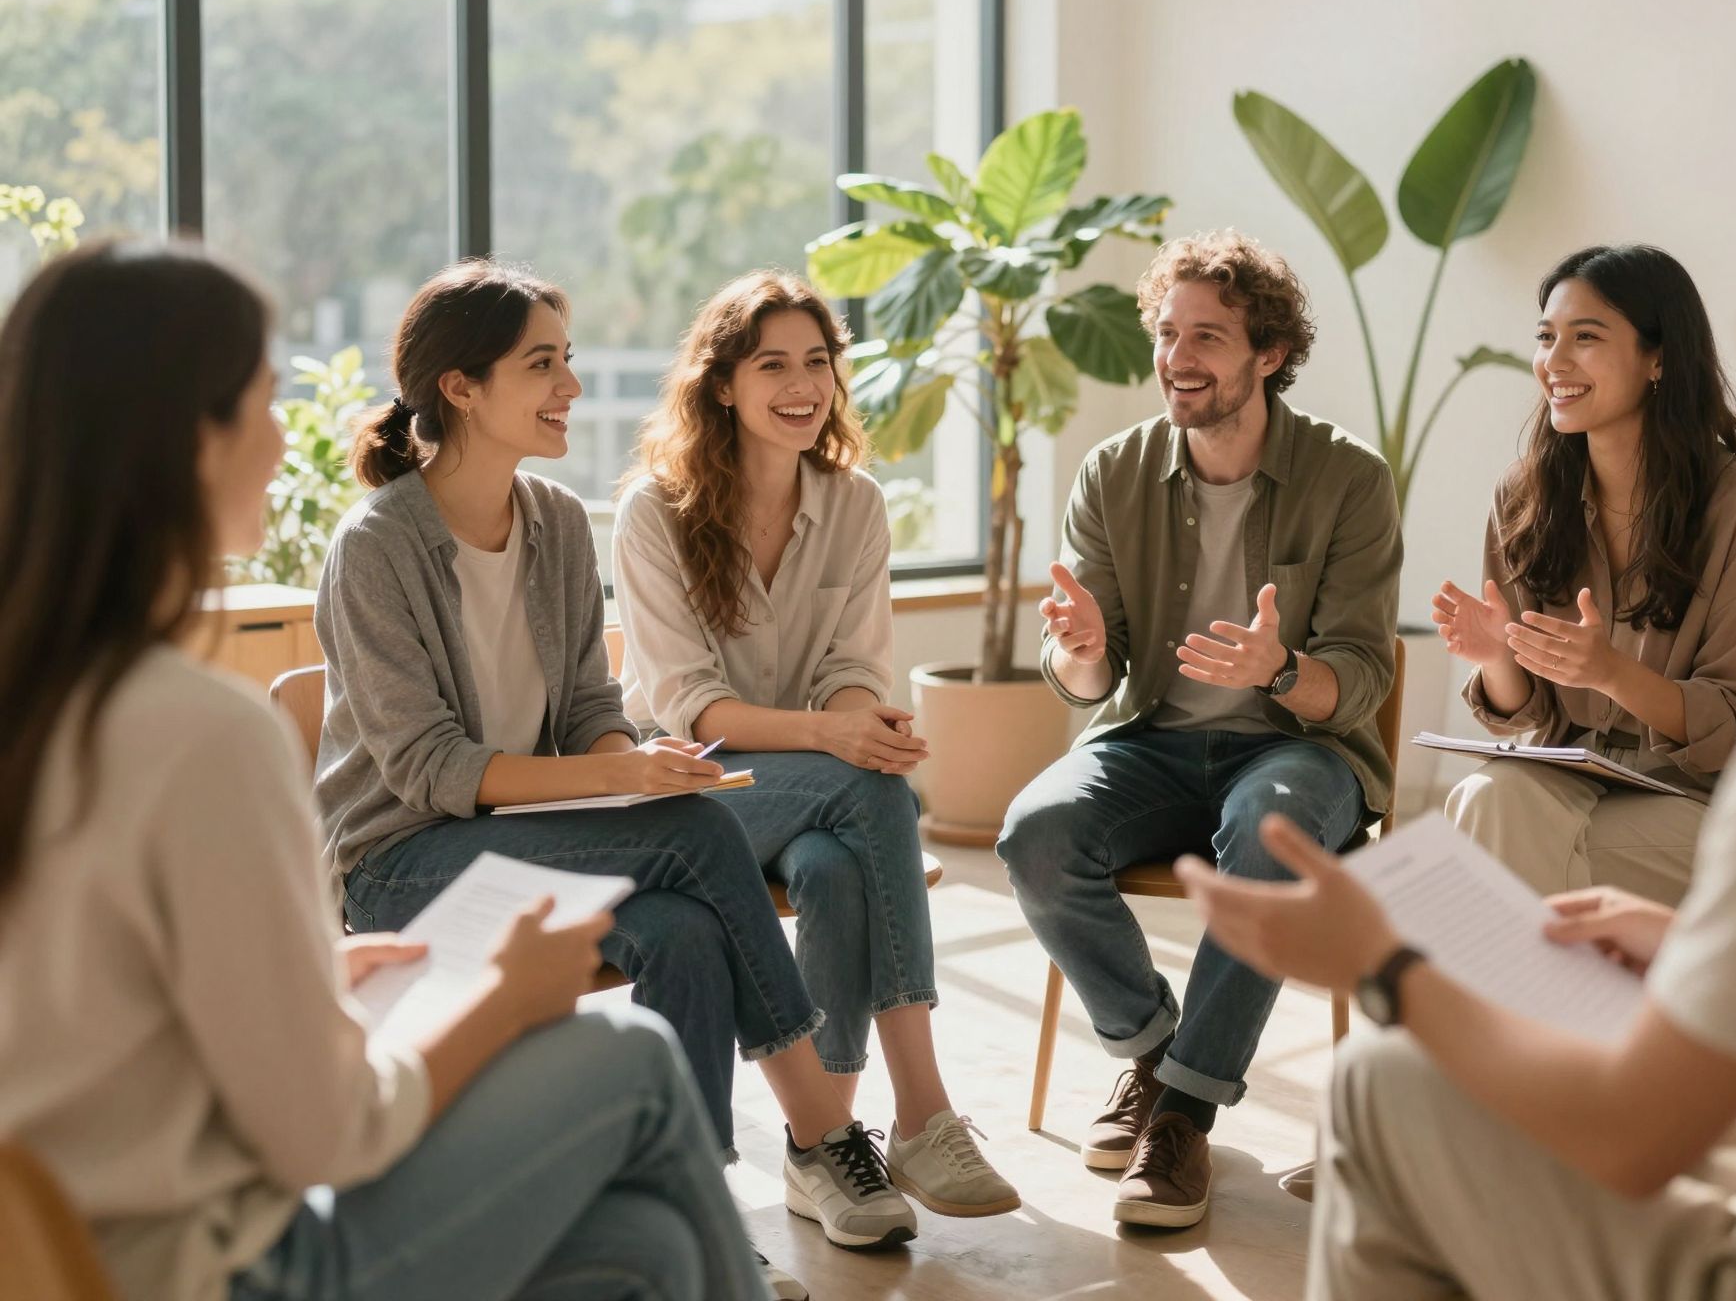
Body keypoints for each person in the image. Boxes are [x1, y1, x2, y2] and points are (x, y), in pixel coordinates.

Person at [1182, 233, 1736, 1301]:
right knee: (1495, 807)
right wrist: (1691, 938)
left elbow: (1628, 1135)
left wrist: (1384, 962)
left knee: (1375, 1083)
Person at [0, 239, 769, 1301]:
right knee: (630, 1054)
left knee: (650, 1251)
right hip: (214, 1269)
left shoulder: (46, 700)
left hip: (69, 1249)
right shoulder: (199, 733)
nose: (281, 444)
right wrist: (502, 1000)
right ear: (183, 440)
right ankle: (816, 1106)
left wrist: (309, 981)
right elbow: (331, 1135)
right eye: (263, 404)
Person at [314, 260, 917, 1273]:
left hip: (531, 837)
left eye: (569, 361)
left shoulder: (551, 520)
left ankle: (696, 1205)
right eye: (542, 365)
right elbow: (427, 770)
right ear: (461, 388)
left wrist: (632, 759)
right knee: (692, 832)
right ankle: (820, 1127)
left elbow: (594, 708)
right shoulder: (376, 546)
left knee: (681, 930)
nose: (571, 388)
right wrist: (624, 782)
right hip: (404, 860)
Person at [997, 230, 1401, 1229]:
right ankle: (1151, 1053)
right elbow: (1088, 676)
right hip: (1151, 738)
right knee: (1032, 837)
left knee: (1272, 839)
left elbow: (1359, 676)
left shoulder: (1347, 478)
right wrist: (1085, 647)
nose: (1178, 357)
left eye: (1208, 336)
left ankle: (1179, 1114)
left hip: (1296, 749)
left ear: (1267, 354)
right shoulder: (1113, 471)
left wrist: (1280, 670)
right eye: (1167, 332)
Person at [613, 269, 1018, 1220]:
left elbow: (851, 662)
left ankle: (822, 1146)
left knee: (841, 864)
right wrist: (835, 736)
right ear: (722, 384)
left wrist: (855, 725)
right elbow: (688, 707)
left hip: (814, 791)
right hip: (690, 793)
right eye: (773, 365)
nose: (803, 386)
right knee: (872, 797)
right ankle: (921, 1110)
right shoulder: (654, 512)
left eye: (818, 363)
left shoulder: (855, 504)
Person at [1433, 244, 1736, 902]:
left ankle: (1490, 1005)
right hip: (1568, 784)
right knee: (1490, 797)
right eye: (1546, 338)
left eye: (1586, 338)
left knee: (1503, 839)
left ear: (1658, 358)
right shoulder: (1525, 497)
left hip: (1701, 804)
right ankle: (1540, 1005)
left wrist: (1611, 674)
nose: (1554, 362)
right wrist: (1496, 659)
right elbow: (1529, 714)